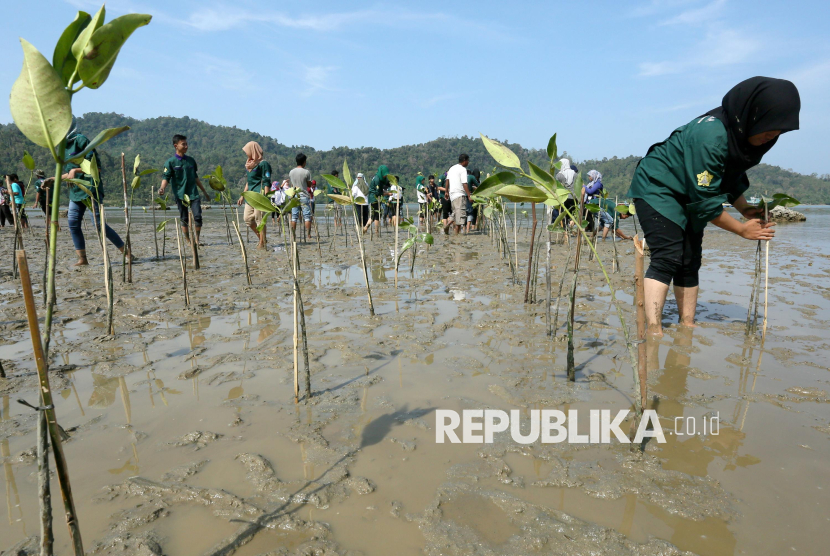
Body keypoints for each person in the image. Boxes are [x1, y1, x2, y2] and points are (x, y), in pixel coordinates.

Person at [627, 76, 799, 336]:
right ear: (751, 116)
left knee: (689, 259)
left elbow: (728, 176)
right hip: (658, 187)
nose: (771, 137)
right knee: (668, 256)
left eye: (778, 133)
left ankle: (687, 325)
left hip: (691, 190)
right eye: (769, 130)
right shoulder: (711, 134)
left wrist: (744, 209)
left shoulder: (741, 135)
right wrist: (742, 229)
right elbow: (707, 203)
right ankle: (653, 330)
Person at [63, 120, 130, 266]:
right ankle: (82, 258)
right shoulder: (62, 146)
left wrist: (75, 170)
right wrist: (52, 179)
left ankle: (127, 253)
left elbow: (96, 168)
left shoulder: (81, 140)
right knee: (73, 223)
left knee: (99, 225)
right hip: (75, 192)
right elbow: (68, 173)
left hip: (90, 189)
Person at [159, 134, 209, 244]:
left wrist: (204, 191)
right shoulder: (170, 162)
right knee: (184, 218)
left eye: (187, 144)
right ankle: (188, 241)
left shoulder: (191, 161)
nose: (186, 146)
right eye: (183, 144)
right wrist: (162, 188)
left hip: (193, 194)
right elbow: (166, 177)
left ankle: (197, 240)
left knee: (197, 217)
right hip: (180, 195)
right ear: (176, 145)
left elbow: (195, 177)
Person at [237, 141, 271, 249]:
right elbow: (249, 181)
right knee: (247, 219)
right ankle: (262, 238)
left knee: (259, 219)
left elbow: (266, 181)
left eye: (247, 151)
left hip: (259, 195)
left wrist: (266, 197)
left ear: (253, 151)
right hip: (249, 196)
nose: (246, 154)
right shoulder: (249, 164)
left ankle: (262, 243)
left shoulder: (263, 164)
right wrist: (242, 196)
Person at [289, 153, 314, 239]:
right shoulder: (306, 172)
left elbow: (292, 185)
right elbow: (309, 185)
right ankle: (308, 235)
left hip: (295, 195)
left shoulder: (291, 172)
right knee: (307, 216)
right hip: (303, 195)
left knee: (294, 216)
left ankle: (293, 235)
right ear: (304, 162)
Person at [445, 154, 471, 235]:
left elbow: (447, 180)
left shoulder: (452, 168)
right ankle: (457, 237)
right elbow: (464, 183)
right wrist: (469, 195)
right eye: (468, 161)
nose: (468, 162)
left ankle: (448, 224)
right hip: (459, 195)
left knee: (455, 213)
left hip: (452, 196)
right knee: (460, 220)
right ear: (464, 160)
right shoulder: (463, 169)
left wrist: (446, 191)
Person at [366, 165, 391, 234]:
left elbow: (387, 183)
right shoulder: (377, 179)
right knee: (376, 215)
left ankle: (366, 228)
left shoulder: (382, 179)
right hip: (374, 198)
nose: (385, 176)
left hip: (377, 198)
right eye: (384, 175)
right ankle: (375, 231)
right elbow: (378, 193)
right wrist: (387, 193)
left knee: (376, 215)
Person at [466, 168, 480, 233]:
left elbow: (479, 187)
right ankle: (468, 228)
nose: (476, 178)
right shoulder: (470, 179)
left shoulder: (478, 181)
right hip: (470, 198)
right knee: (469, 212)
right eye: (476, 177)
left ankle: (473, 227)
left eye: (477, 177)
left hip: (476, 199)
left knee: (475, 213)